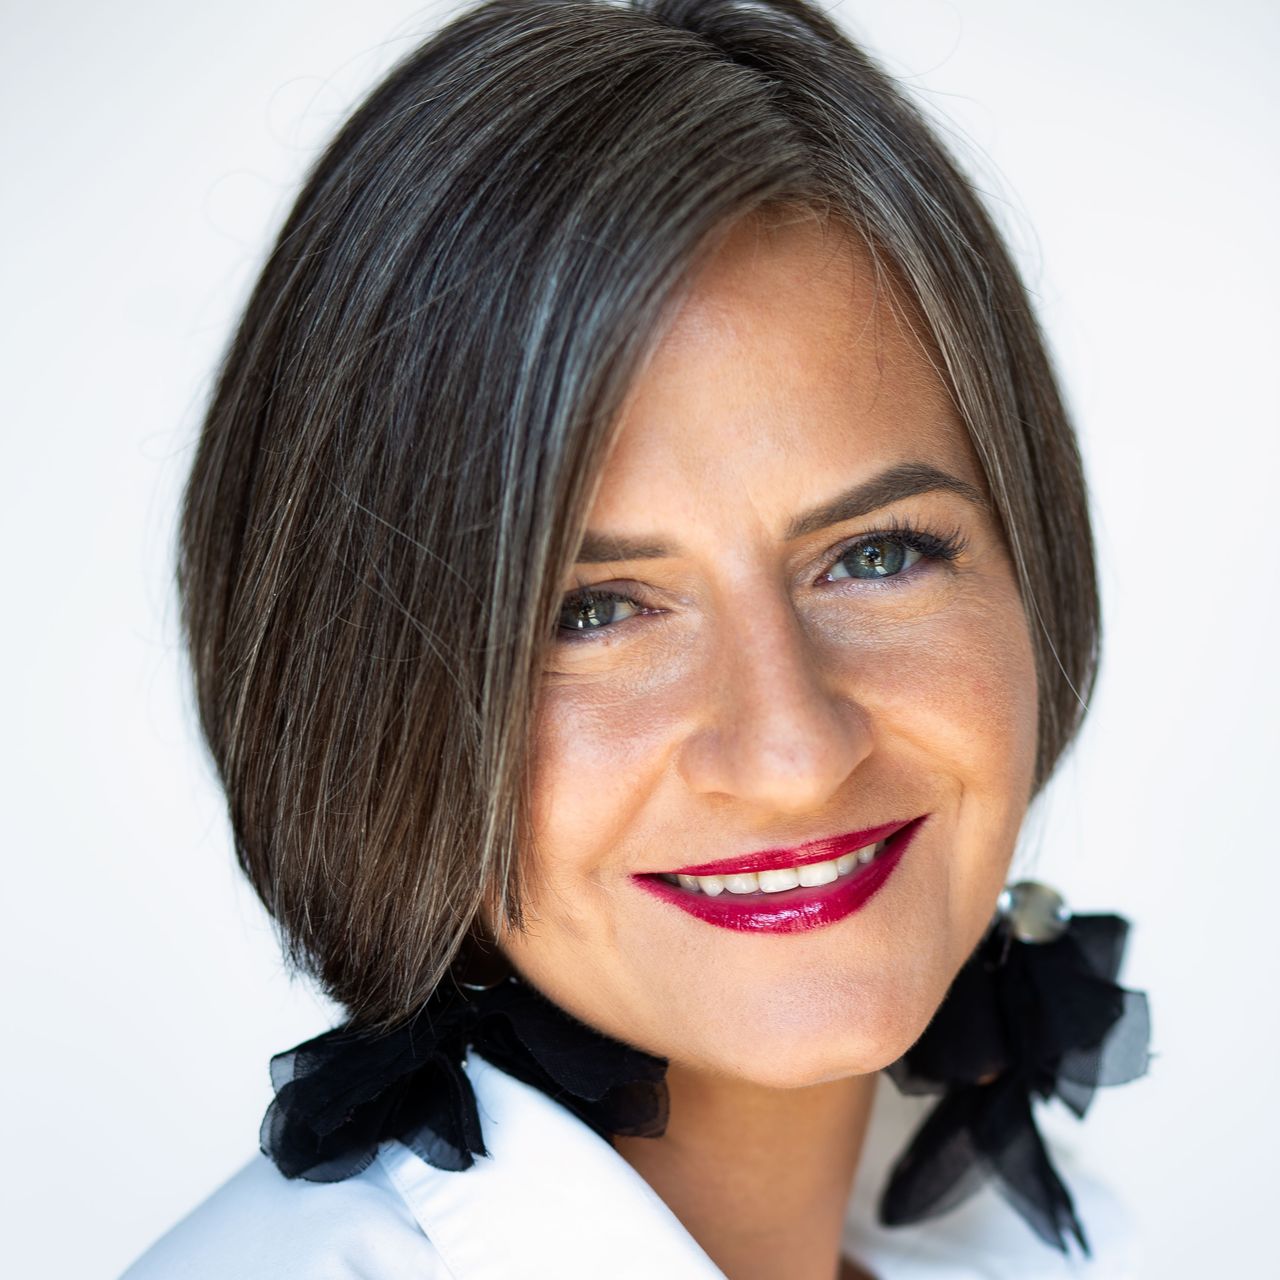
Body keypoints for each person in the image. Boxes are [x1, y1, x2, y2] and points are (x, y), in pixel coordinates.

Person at [121, 2, 1150, 1276]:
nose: (791, 753)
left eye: (875, 553)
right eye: (591, 610)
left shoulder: (1053, 1242)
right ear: (363, 693)